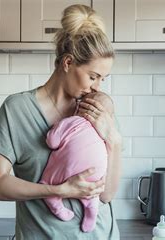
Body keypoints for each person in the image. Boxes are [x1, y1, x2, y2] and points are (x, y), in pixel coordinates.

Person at [0, 4, 122, 239]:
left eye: (102, 79)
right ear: (68, 63)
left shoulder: (97, 108)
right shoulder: (17, 109)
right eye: (93, 76)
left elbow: (107, 195)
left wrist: (115, 140)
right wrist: (58, 190)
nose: (96, 87)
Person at [39, 91, 114, 233]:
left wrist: (55, 127)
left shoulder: (71, 122)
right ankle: (91, 209)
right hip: (95, 177)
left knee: (47, 183)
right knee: (92, 195)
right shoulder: (104, 132)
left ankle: (56, 205)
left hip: (67, 174)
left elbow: (52, 142)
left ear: (79, 106)